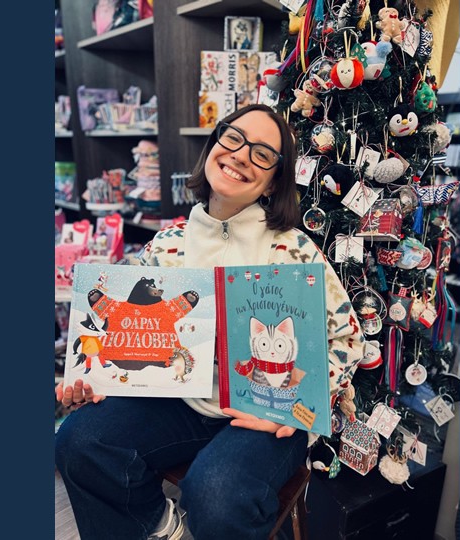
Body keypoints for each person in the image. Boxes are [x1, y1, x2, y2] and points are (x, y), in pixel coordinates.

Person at [55, 104, 363, 540]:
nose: (241, 155)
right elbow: (129, 334)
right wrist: (96, 379)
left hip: (268, 410)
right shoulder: (168, 244)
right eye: (233, 138)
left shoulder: (294, 249)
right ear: (214, 144)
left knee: (217, 493)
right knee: (79, 440)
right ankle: (158, 525)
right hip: (181, 402)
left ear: (274, 179)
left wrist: (297, 409)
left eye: (262, 154)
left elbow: (348, 339)